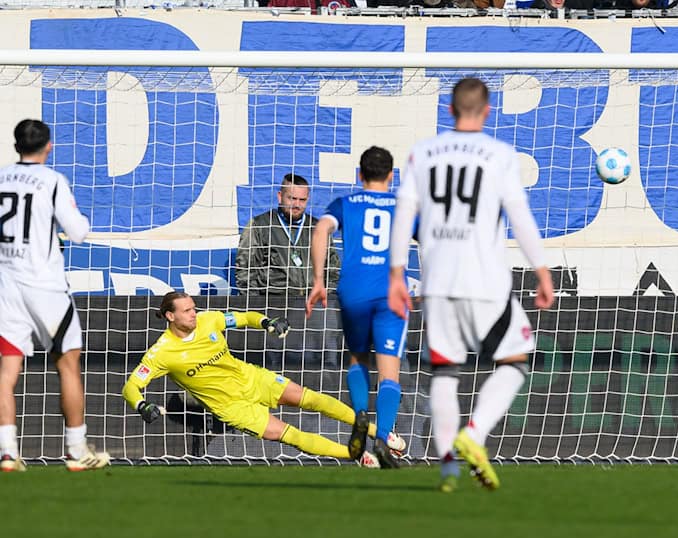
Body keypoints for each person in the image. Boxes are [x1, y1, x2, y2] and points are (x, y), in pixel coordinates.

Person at [388, 77, 555, 492]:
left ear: (449, 109)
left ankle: (447, 469)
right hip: (485, 278)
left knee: (445, 371)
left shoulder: (422, 153)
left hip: (438, 279)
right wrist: (543, 270)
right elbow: (519, 216)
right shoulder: (498, 154)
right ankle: (474, 435)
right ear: (487, 110)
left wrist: (395, 273)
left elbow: (404, 212)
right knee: (515, 361)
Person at [121, 292, 404, 467]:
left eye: (194, 307)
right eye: (187, 310)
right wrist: (141, 405)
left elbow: (243, 318)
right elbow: (131, 386)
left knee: (312, 398)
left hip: (252, 379)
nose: (194, 313)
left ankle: (380, 434)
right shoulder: (161, 352)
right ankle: (358, 456)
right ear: (170, 316)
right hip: (232, 407)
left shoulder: (210, 320)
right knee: (291, 436)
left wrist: (267, 322)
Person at [0, 119, 111, 473]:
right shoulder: (51, 181)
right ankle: (76, 449)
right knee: (67, 362)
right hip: (45, 286)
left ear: (16, 145)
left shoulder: (1, 177)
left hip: (6, 284)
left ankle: (7, 452)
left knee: (7, 370)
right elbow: (78, 231)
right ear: (49, 146)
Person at [307, 146, 410, 469]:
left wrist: (319, 279)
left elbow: (321, 229)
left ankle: (363, 425)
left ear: (360, 175)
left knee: (357, 358)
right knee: (389, 367)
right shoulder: (404, 206)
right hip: (391, 290)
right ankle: (385, 437)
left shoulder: (344, 204)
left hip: (353, 290)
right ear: (392, 176)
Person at [235, 173, 341, 371]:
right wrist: (258, 310)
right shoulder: (260, 225)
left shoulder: (317, 227)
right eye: (292, 198)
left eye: (302, 200)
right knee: (275, 366)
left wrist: (327, 295)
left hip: (313, 306)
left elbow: (333, 268)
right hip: (275, 303)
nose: (297, 205)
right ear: (280, 196)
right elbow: (245, 271)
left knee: (324, 364)